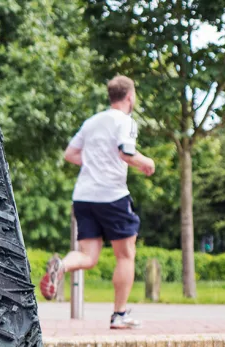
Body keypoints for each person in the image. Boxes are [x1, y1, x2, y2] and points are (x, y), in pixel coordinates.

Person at [40, 75, 156, 329]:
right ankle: (119, 314)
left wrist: (94, 161)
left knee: (87, 256)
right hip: (112, 195)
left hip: (83, 196)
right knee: (125, 255)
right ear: (129, 97)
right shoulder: (125, 121)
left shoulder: (92, 122)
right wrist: (146, 162)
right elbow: (126, 152)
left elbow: (70, 154)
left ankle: (62, 266)